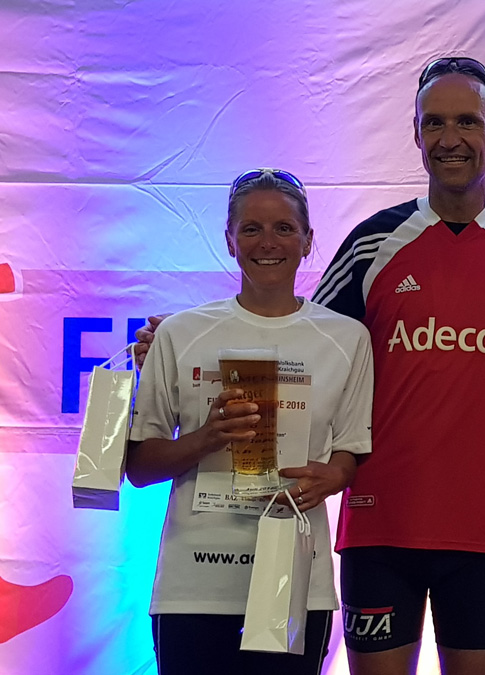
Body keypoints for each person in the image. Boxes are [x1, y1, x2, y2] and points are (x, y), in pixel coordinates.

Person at [311, 57, 485, 675]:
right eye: (434, 123)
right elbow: (300, 346)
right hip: (380, 523)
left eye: (467, 121)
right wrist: (190, 344)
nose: (449, 138)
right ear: (416, 133)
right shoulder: (372, 243)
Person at [127, 168, 374, 674]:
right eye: (251, 229)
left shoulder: (347, 338)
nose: (268, 243)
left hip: (295, 580)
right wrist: (206, 438)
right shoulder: (180, 333)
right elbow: (140, 468)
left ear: (308, 240)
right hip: (194, 585)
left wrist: (333, 477)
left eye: (284, 228)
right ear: (229, 240)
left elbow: (349, 451)